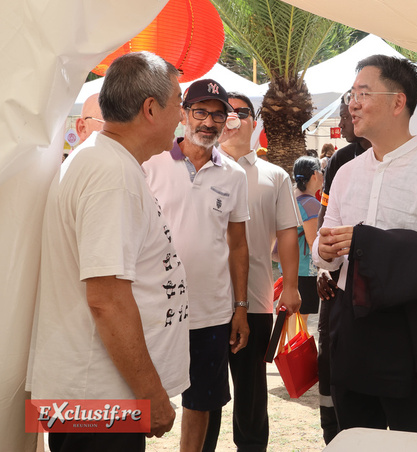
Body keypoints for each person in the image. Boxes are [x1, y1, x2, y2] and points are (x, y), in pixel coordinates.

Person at [29, 51, 187, 451]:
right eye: (179, 105)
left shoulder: (106, 160)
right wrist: (151, 393)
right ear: (150, 109)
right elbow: (107, 300)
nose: (182, 117)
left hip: (97, 397)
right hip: (99, 400)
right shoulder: (110, 174)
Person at [313, 54, 417, 433]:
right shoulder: (347, 172)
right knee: (355, 435)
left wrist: (367, 242)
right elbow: (328, 243)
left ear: (398, 102)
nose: (352, 104)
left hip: (409, 330)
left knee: (410, 439)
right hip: (351, 328)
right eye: (351, 94)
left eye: (363, 93)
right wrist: (326, 254)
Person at [143, 78, 251, 452]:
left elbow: (238, 246)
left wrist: (240, 308)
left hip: (211, 312)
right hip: (153, 309)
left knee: (201, 401)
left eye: (218, 115)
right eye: (201, 112)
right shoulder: (151, 163)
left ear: (227, 122)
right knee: (139, 395)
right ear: (184, 115)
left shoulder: (234, 176)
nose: (209, 122)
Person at [215, 92, 303, 452]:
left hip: (255, 299)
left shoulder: (274, 175)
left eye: (242, 112)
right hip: (206, 302)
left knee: (251, 391)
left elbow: (287, 235)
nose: (233, 118)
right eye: (226, 112)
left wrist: (292, 287)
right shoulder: (197, 168)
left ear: (254, 122)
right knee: (205, 392)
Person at [315, 97, 371, 443]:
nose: (341, 122)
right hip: (335, 282)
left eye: (344, 115)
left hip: (372, 291)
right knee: (330, 359)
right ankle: (332, 434)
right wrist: (321, 267)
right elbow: (324, 222)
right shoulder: (340, 159)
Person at [292, 156, 323, 338]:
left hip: (292, 266)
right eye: (320, 171)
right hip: (306, 270)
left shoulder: (292, 198)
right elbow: (313, 242)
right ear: (314, 175)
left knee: (294, 318)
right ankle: (296, 362)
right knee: (300, 320)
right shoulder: (310, 204)